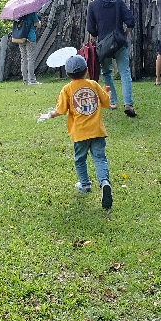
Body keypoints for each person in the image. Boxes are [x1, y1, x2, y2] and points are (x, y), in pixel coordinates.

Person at [43, 54, 113, 209]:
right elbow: (106, 103)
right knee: (100, 159)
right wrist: (108, 93)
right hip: (97, 131)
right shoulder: (94, 85)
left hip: (80, 134)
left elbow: (60, 110)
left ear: (67, 74)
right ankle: (104, 183)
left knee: (80, 160)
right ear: (87, 71)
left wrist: (50, 114)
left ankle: (85, 184)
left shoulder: (67, 89)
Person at [86, 0, 136, 118]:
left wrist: (99, 34)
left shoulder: (93, 5)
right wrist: (124, 33)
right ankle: (128, 104)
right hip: (119, 42)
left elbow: (90, 28)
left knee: (106, 73)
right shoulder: (118, 2)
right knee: (124, 72)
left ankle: (113, 101)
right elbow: (130, 21)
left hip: (103, 45)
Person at [12, 12, 41, 85]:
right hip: (30, 38)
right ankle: (32, 80)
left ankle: (25, 81)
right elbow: (38, 25)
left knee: (23, 59)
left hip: (21, 37)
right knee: (30, 59)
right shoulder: (31, 13)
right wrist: (39, 22)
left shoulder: (18, 14)